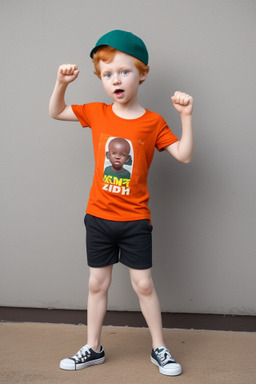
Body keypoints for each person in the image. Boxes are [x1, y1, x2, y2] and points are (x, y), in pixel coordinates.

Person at [49, 29, 194, 377]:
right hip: (98, 218)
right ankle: (93, 347)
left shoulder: (153, 122)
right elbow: (56, 112)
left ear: (142, 74)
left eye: (125, 71)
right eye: (108, 73)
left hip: (134, 221)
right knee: (96, 284)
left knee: (143, 284)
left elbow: (185, 156)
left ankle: (160, 347)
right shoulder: (97, 112)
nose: (116, 79)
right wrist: (61, 83)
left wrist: (186, 117)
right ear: (101, 78)